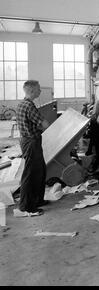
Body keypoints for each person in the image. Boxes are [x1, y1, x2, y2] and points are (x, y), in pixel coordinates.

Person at [14, 80, 50, 217]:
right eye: (39, 89)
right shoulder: (29, 106)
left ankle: (37, 200)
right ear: (32, 91)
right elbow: (45, 124)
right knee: (30, 173)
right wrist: (40, 126)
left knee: (40, 170)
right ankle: (26, 206)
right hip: (31, 142)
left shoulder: (22, 104)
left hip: (28, 141)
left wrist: (38, 126)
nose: (40, 91)